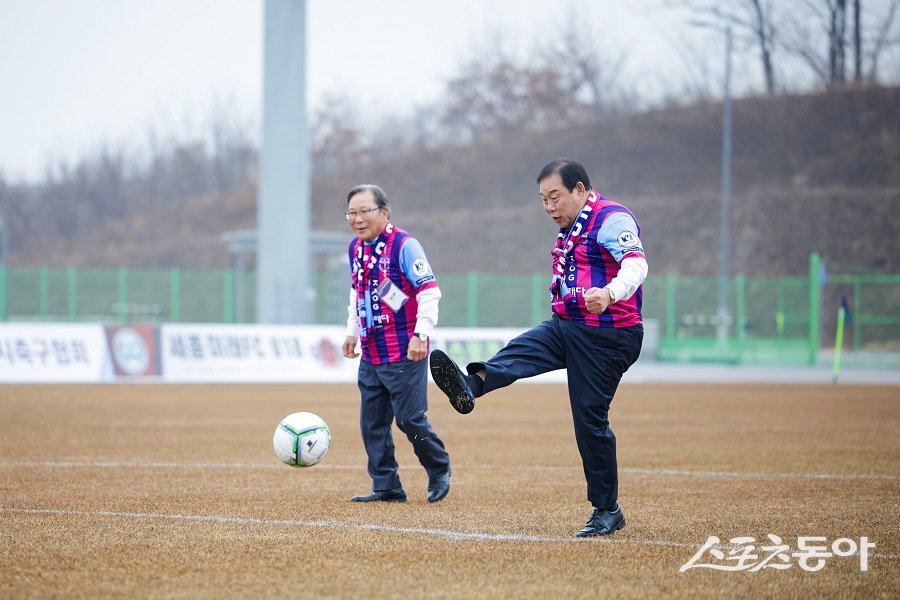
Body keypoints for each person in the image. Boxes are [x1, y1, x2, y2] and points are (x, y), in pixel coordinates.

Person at [429, 159, 646, 536]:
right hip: (570, 325)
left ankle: (608, 509)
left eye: (554, 197)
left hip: (608, 336)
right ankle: (470, 385)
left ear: (580, 189)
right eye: (543, 200)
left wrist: (611, 292)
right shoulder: (571, 226)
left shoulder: (612, 218)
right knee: (520, 350)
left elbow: (636, 264)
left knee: (589, 420)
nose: (548, 207)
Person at [342, 184, 451, 503]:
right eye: (351, 212)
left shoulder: (405, 245)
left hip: (404, 348)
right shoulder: (355, 249)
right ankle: (386, 485)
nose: (357, 218)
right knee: (371, 422)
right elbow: (357, 293)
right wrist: (352, 331)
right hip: (372, 349)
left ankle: (439, 466)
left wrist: (421, 334)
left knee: (409, 418)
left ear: (384, 213)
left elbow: (429, 291)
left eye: (365, 211)